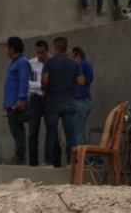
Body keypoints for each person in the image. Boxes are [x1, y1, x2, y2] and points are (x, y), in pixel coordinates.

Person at [42, 36, 84, 168]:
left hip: (53, 101)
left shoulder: (49, 62)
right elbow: (81, 81)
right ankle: (72, 162)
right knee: (70, 132)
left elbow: (45, 80)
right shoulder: (74, 63)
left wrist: (45, 90)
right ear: (66, 47)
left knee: (51, 132)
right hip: (68, 101)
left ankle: (49, 161)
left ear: (55, 48)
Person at [27, 39, 57, 167]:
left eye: (42, 52)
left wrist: (43, 86)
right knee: (33, 131)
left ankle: (50, 160)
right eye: (38, 52)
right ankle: (33, 162)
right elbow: (28, 84)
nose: (40, 55)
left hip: (49, 98)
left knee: (51, 129)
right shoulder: (31, 63)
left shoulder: (53, 62)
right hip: (35, 99)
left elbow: (54, 82)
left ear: (47, 50)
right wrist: (42, 85)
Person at [3, 36, 32, 165]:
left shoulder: (23, 62)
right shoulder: (14, 63)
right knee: (14, 129)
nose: (5, 50)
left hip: (16, 103)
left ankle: (20, 157)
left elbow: (23, 81)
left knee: (18, 130)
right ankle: (18, 156)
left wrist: (21, 99)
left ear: (12, 49)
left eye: (7, 47)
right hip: (10, 103)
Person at [71, 46, 94, 147]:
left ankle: (80, 159)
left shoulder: (79, 64)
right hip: (86, 101)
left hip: (79, 102)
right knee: (81, 130)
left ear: (75, 53)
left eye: (70, 54)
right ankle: (85, 158)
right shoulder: (87, 64)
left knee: (77, 131)